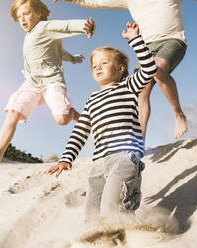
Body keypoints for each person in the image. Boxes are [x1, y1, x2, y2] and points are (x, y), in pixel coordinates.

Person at [54, 0, 197, 141]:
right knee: (140, 93)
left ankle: (178, 113)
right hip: (146, 47)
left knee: (157, 68)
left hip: (173, 40)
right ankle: (139, 140)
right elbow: (96, 2)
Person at [48, 22, 157, 223]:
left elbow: (150, 68)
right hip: (99, 163)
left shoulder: (127, 86)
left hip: (125, 156)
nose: (98, 67)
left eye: (104, 63)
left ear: (121, 68)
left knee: (111, 206)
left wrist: (135, 40)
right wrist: (67, 158)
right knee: (91, 212)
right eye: (94, 66)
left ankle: (127, 229)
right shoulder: (92, 99)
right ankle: (96, 239)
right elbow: (80, 131)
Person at [0, 0, 95, 172]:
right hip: (32, 83)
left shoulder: (44, 27)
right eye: (19, 16)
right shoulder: (30, 35)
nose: (22, 19)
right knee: (14, 111)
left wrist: (84, 26)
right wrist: (73, 58)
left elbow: (64, 26)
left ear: (38, 13)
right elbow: (57, 52)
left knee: (62, 119)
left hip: (51, 82)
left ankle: (83, 120)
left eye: (26, 13)